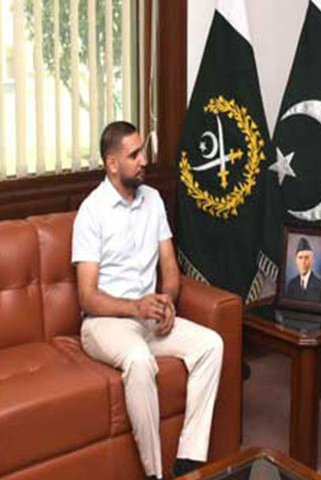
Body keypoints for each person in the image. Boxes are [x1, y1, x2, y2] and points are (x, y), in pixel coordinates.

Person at [72, 121, 224, 480]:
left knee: (211, 345)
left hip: (149, 318)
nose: (144, 160)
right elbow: (87, 297)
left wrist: (167, 300)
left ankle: (189, 460)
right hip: (105, 323)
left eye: (143, 152)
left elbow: (169, 266)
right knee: (139, 360)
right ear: (112, 164)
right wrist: (135, 307)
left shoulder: (153, 200)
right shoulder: (91, 212)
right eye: (134, 155)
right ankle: (155, 474)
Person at [285, 237, 321, 301]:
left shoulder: (320, 285)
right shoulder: (291, 284)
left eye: (306, 258)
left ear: (312, 261)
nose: (303, 262)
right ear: (296, 260)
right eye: (300, 258)